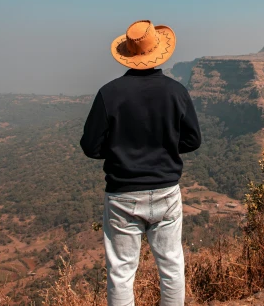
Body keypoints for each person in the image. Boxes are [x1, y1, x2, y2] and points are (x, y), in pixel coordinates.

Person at [80, 20, 201, 306]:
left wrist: (120, 151)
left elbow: (90, 146)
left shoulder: (109, 93)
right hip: (166, 192)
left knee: (121, 272)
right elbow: (193, 140)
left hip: (123, 194)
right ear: (158, 52)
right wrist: (165, 146)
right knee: (172, 266)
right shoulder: (176, 91)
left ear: (128, 54)